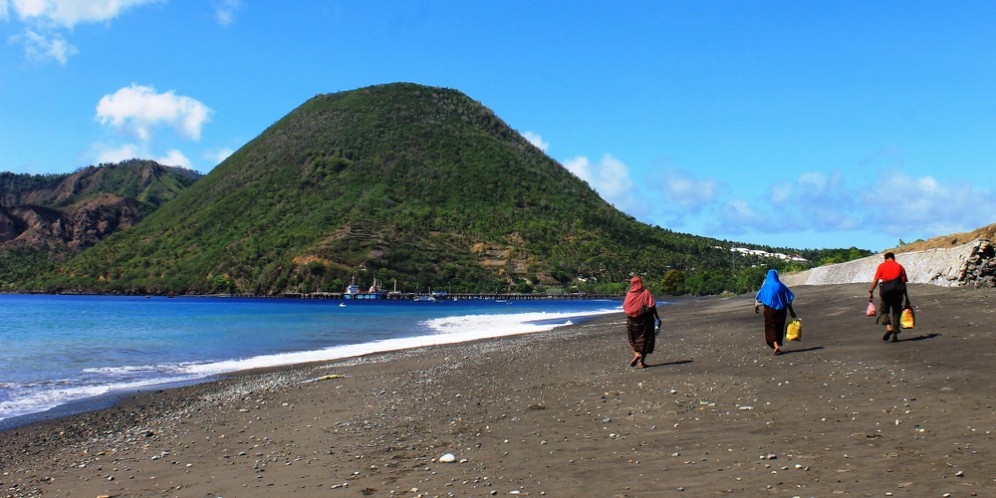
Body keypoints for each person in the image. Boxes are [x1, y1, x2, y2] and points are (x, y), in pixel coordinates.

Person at [753, 269, 797, 355]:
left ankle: (775, 345)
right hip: (781, 311)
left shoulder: (766, 286)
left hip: (770, 311)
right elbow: (788, 299)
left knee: (771, 327)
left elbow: (759, 297)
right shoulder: (781, 286)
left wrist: (756, 306)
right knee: (779, 327)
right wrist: (791, 311)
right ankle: (777, 344)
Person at [869, 252, 909, 342]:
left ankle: (889, 327)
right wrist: (907, 298)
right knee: (896, 312)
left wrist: (870, 291)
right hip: (898, 292)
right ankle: (895, 335)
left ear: (885, 259)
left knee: (884, 310)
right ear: (894, 258)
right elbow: (903, 283)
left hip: (886, 292)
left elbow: (876, 280)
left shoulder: (882, 266)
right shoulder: (900, 266)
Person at [623, 276, 660, 368]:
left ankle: (636, 353)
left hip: (632, 320)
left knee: (633, 339)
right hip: (645, 320)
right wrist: (657, 317)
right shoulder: (645, 292)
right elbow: (652, 306)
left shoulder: (629, 294)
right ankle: (642, 362)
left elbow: (626, 306)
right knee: (645, 340)